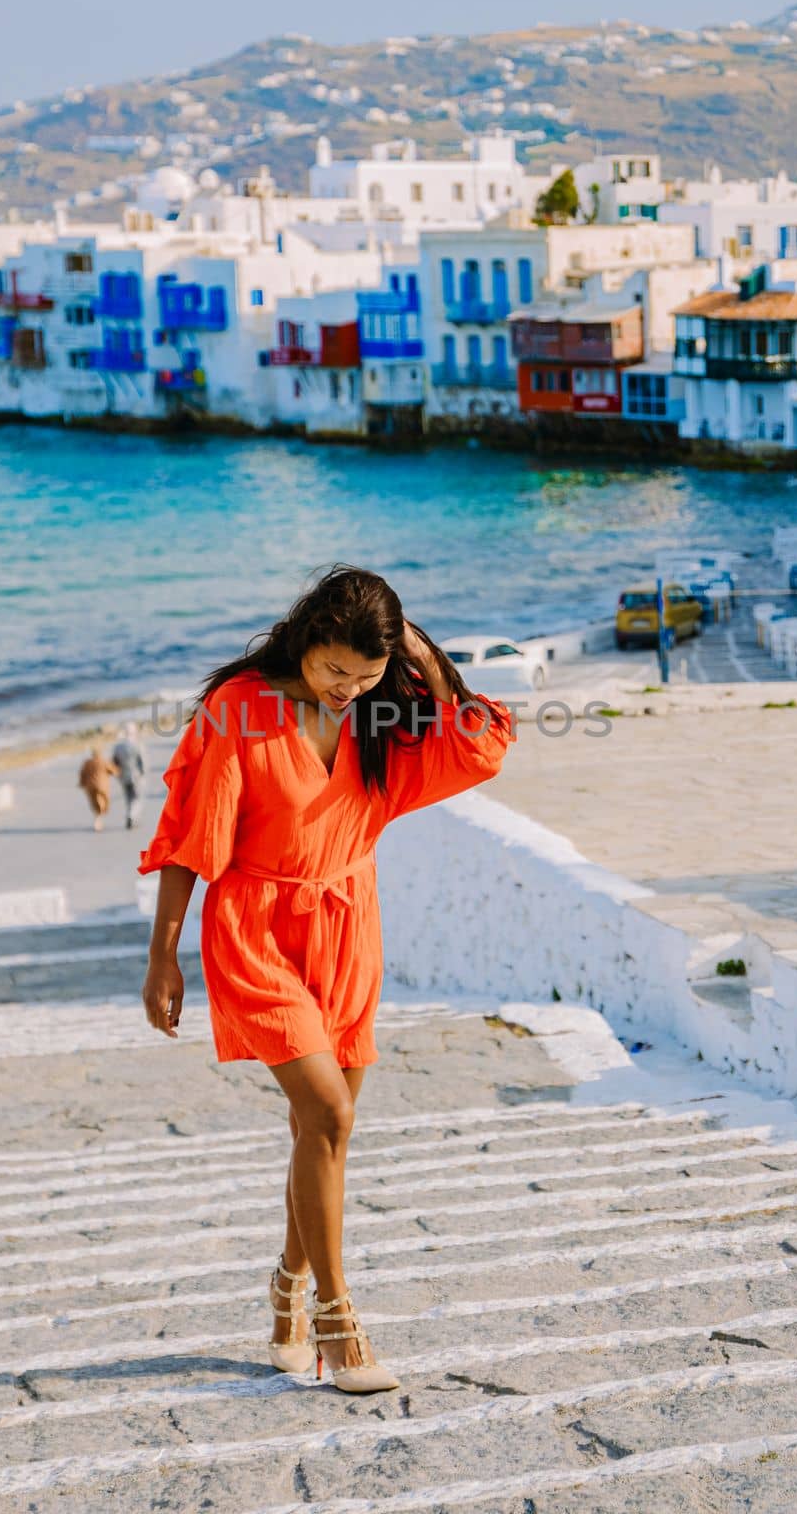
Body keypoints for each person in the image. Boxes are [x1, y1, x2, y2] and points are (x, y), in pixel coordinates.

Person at [139, 564, 515, 1394]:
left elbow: (480, 744)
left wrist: (420, 658)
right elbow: (188, 835)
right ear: (307, 639)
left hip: (347, 929)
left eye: (366, 673)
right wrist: (164, 953)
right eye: (333, 669)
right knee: (330, 1112)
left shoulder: (382, 713)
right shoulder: (239, 709)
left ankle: (286, 1291)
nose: (347, 688)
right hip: (257, 930)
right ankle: (339, 1326)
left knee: (326, 1136)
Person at [111, 721, 147, 829]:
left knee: (128, 797)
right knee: (136, 798)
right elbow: (142, 761)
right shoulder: (137, 745)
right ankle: (131, 815)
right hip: (135, 776)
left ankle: (130, 815)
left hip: (123, 776)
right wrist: (143, 774)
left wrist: (117, 774)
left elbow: (114, 762)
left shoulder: (118, 747)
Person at [77, 742, 116, 832]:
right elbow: (113, 771)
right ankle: (98, 821)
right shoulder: (104, 761)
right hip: (102, 786)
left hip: (90, 786)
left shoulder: (87, 763)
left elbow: (82, 774)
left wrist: (81, 783)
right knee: (103, 803)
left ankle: (98, 820)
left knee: (95, 803)